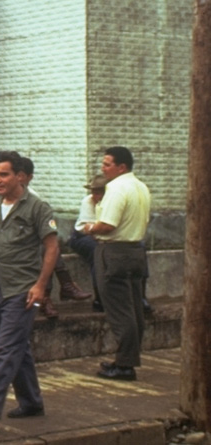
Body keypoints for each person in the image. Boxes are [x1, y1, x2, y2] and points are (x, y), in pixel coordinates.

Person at [0, 150, 58, 430]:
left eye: (3, 174)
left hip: (24, 288)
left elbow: (52, 247)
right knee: (17, 346)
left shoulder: (37, 207)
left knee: (6, 347)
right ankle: (31, 401)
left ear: (19, 176)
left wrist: (41, 286)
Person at [84, 146, 151, 381]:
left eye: (107, 164)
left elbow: (108, 224)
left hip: (114, 252)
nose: (103, 168)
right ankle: (126, 359)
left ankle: (125, 365)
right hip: (135, 251)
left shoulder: (116, 188)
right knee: (134, 309)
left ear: (121, 167)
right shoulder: (141, 187)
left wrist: (90, 228)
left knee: (120, 311)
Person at [20, 157, 91, 319]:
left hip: (29, 241)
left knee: (49, 248)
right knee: (45, 249)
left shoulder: (33, 198)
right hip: (6, 243)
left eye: (24, 175)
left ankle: (49, 297)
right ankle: (59, 289)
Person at [69, 175, 108, 311]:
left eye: (99, 192)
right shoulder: (88, 202)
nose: (95, 195)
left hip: (103, 236)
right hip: (82, 236)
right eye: (94, 192)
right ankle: (100, 298)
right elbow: (88, 227)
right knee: (96, 253)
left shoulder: (111, 203)